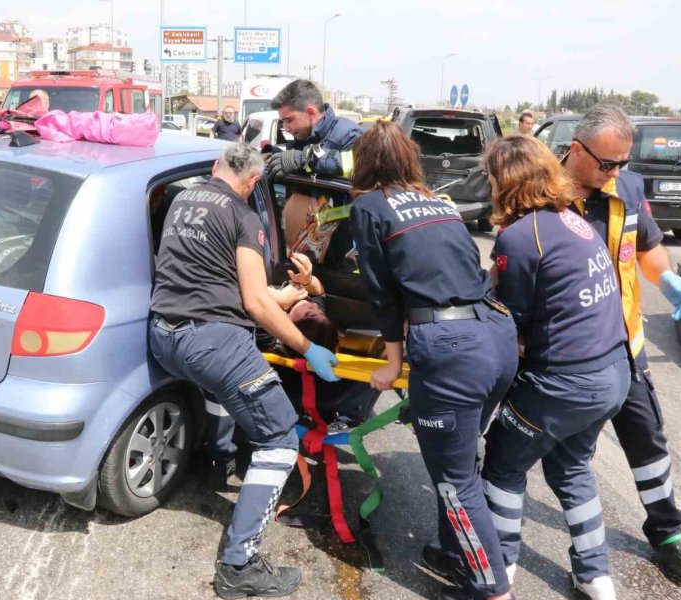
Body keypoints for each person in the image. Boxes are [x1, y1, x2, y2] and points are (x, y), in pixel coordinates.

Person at [148, 143, 340, 599]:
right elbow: (253, 303)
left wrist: (284, 298)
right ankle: (239, 565)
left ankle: (216, 460)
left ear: (217, 168)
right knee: (279, 437)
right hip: (212, 339)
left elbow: (225, 284)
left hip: (164, 335)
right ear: (254, 182)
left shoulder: (183, 199)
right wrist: (307, 347)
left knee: (221, 388)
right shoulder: (244, 218)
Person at [350, 122, 518, 600]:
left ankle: (492, 588)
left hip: (449, 348)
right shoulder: (438, 202)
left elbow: (381, 293)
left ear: (364, 162)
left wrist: (390, 363)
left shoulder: (369, 206)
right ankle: (457, 551)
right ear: (409, 158)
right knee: (462, 460)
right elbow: (467, 262)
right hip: (494, 334)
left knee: (453, 480)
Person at [479, 135, 630, 600]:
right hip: (613, 373)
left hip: (565, 382)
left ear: (505, 181)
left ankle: (499, 569)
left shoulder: (519, 236)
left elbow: (510, 319)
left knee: (502, 463)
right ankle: (595, 575)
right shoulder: (572, 218)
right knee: (572, 467)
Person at [560, 104, 681, 575]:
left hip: (626, 343)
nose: (616, 173)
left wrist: (665, 279)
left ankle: (667, 528)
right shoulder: (541, 191)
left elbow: (647, 246)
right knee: (561, 454)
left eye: (623, 162)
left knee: (647, 438)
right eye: (607, 164)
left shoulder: (629, 186)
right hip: (568, 354)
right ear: (576, 151)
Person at [266, 79, 362, 179]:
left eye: (289, 120)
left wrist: (302, 158)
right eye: (283, 122)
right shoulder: (304, 137)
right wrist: (273, 156)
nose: (286, 128)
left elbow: (359, 166)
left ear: (310, 113)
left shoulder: (349, 135)